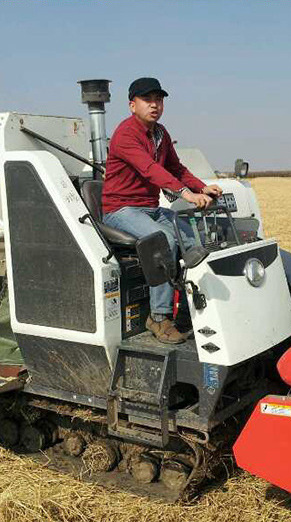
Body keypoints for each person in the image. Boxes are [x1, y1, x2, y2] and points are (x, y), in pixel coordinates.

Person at [102, 77, 223, 344]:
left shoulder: (161, 134)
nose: (154, 105)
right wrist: (187, 194)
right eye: (147, 100)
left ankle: (189, 310)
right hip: (120, 210)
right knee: (163, 240)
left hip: (149, 209)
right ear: (132, 105)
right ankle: (158, 317)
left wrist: (204, 187)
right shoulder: (125, 134)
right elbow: (151, 169)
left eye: (159, 99)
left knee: (193, 239)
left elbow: (176, 168)